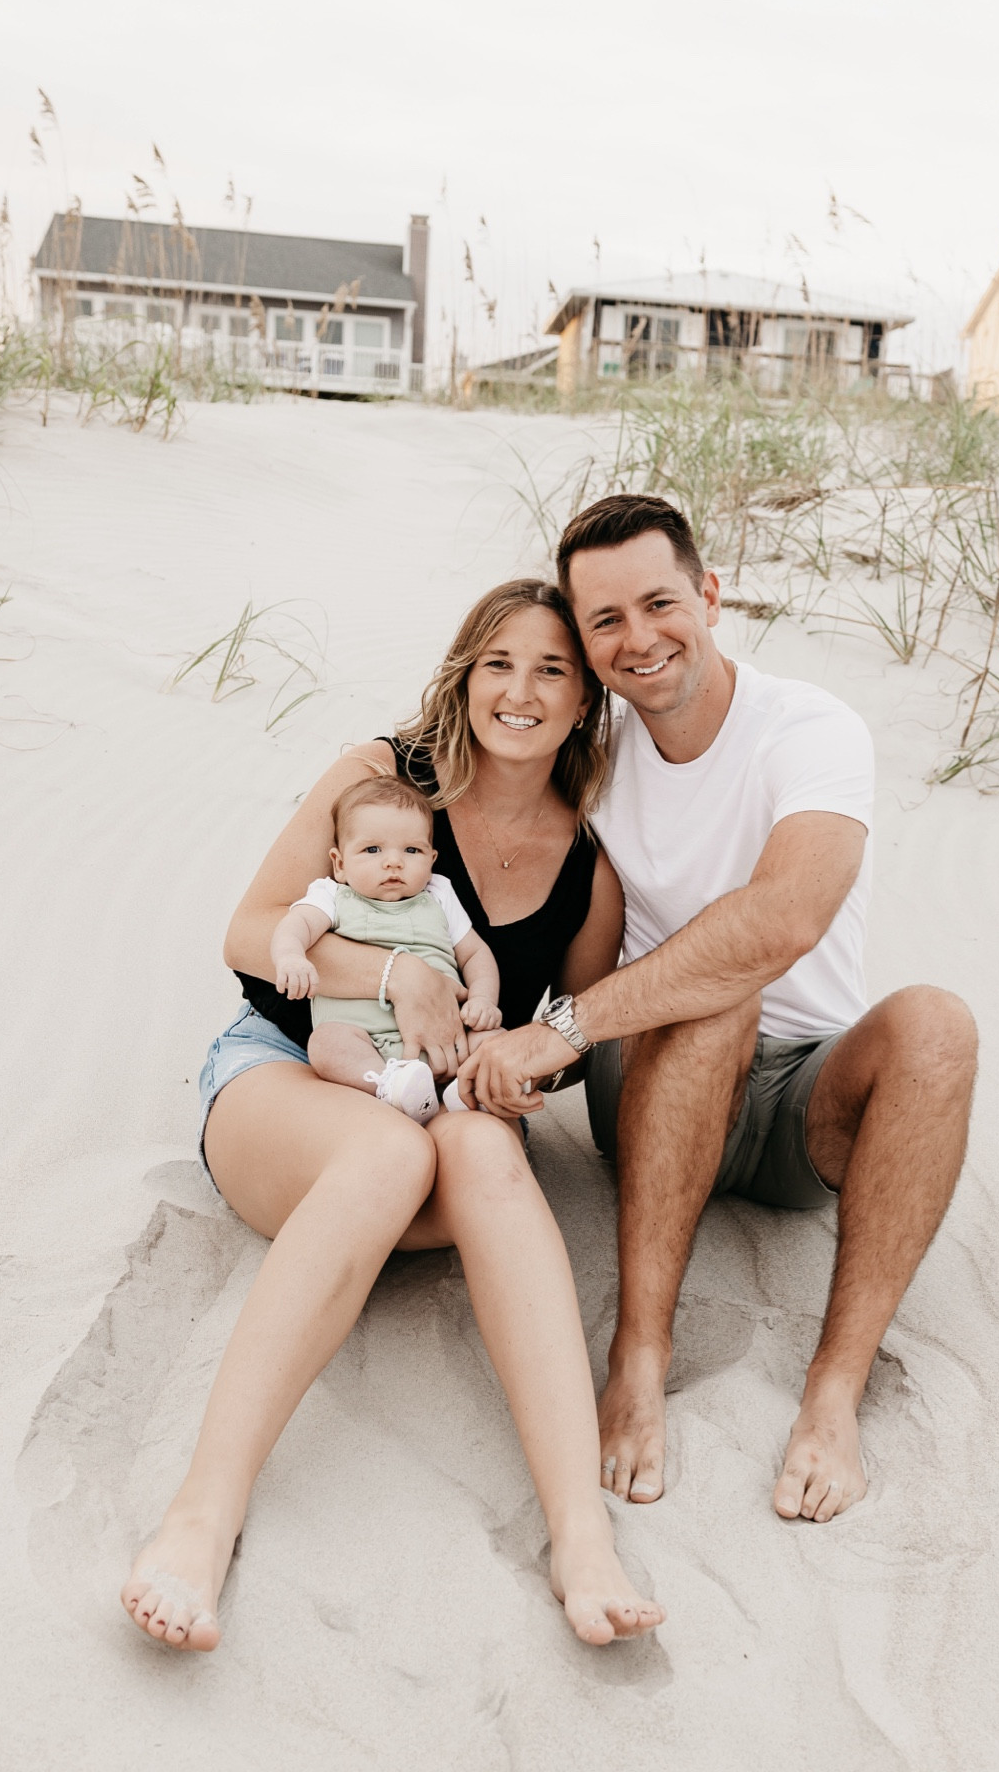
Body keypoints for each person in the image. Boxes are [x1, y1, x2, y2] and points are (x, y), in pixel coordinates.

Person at [121, 578, 665, 1651]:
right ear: (463, 674)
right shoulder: (381, 779)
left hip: (445, 1100)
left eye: (552, 668)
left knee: (490, 1161)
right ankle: (201, 1513)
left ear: (584, 697)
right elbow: (249, 929)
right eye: (498, 663)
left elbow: (568, 1025)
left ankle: (580, 1534)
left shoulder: (587, 866)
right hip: (291, 1077)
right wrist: (395, 976)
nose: (520, 690)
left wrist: (514, 1062)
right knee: (382, 1155)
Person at [457, 495, 977, 1525]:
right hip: (652, 1078)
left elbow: (786, 914)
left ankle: (833, 1390)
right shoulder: (591, 742)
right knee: (710, 1002)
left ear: (709, 592)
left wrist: (557, 1024)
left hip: (800, 1098)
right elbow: (465, 751)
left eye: (658, 602)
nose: (637, 637)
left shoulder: (808, 726)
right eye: (603, 620)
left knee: (937, 1022)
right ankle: (640, 1351)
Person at [270, 774, 501, 1123]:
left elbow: (476, 954)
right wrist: (290, 956)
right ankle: (387, 1086)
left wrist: (483, 1000)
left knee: (494, 1040)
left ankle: (472, 1089)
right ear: (340, 863)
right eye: (372, 850)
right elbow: (295, 925)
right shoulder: (332, 896)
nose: (393, 862)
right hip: (365, 1041)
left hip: (449, 1035)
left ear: (431, 858)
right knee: (327, 1044)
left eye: (412, 850)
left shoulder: (438, 894)